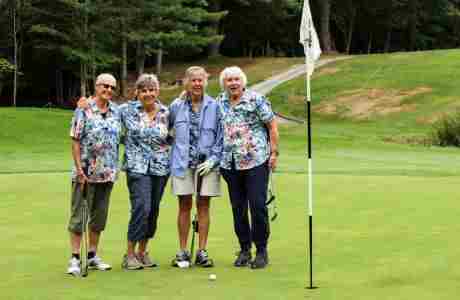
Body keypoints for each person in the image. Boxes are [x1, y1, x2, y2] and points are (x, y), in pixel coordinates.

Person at [217, 66, 279, 269]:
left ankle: (261, 250)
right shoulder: (220, 102)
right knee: (238, 208)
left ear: (243, 82)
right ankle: (244, 249)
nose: (233, 83)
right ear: (224, 83)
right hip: (230, 163)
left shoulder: (256, 99)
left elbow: (271, 125)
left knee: (257, 206)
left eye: (236, 79)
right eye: (229, 80)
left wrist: (274, 152)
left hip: (256, 161)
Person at [67, 73, 121, 275]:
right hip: (85, 173)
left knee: (99, 218)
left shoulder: (116, 111)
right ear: (96, 86)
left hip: (107, 173)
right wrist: (79, 169)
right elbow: (75, 139)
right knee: (78, 217)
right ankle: (74, 258)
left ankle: (92, 256)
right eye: (104, 86)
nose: (108, 90)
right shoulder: (84, 109)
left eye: (112, 87)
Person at [169, 66, 223, 267]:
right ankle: (183, 251)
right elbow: (166, 130)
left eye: (201, 80)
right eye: (193, 80)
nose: (197, 84)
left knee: (203, 206)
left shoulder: (215, 106)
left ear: (205, 82)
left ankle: (201, 251)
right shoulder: (176, 106)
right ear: (187, 82)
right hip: (182, 164)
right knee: (184, 205)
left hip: (206, 165)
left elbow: (221, 137)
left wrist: (213, 159)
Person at [119, 74, 170, 270]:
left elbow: (172, 136)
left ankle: (142, 251)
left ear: (157, 92)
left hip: (160, 168)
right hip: (137, 167)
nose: (148, 93)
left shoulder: (166, 112)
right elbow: (103, 111)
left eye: (151, 90)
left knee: (153, 210)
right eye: (143, 90)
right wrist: (85, 106)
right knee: (142, 207)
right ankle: (129, 254)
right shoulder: (126, 110)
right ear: (137, 93)